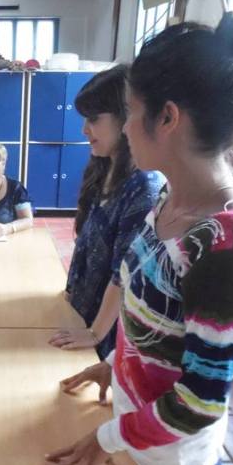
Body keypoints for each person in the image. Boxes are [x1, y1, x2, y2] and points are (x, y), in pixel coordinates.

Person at [40, 14, 233, 465]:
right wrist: (116, 364)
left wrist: (107, 439)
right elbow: (151, 312)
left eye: (131, 112)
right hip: (131, 432)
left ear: (167, 118)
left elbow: (200, 401)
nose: (126, 127)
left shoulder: (231, 244)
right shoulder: (169, 199)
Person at [47, 65, 165, 360]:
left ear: (125, 117)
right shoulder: (103, 166)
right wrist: (70, 297)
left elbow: (123, 273)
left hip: (105, 331)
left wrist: (94, 333)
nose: (84, 130)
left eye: (93, 119)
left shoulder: (144, 185)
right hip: (82, 311)